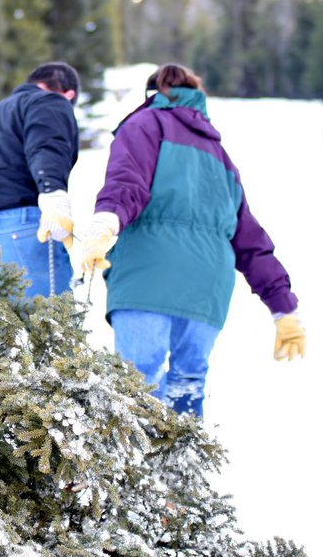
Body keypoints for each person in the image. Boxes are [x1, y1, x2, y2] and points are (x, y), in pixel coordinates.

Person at [79, 63, 306, 418]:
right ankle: (178, 470)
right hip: (207, 287)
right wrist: (284, 309)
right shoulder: (221, 156)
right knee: (187, 386)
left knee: (135, 390)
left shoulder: (143, 124)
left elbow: (127, 184)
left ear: (153, 93)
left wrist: (105, 225)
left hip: (147, 276)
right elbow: (249, 239)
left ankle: (134, 471)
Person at [0, 61, 81, 298]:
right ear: (69, 95)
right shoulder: (50, 101)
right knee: (50, 330)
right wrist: (54, 193)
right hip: (23, 230)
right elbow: (47, 145)